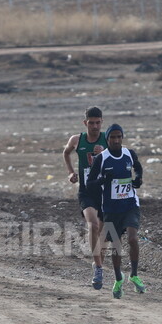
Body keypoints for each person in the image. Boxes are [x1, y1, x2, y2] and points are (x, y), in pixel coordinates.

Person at [85, 123, 145, 299]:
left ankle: (134, 274)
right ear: (108, 139)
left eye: (119, 137)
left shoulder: (129, 154)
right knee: (116, 246)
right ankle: (118, 278)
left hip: (130, 205)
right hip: (111, 209)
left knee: (133, 238)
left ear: (122, 138)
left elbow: (138, 167)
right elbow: (90, 184)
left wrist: (138, 179)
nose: (116, 140)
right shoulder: (101, 159)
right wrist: (103, 180)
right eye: (113, 137)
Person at [62, 106, 108, 289]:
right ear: (85, 123)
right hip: (86, 191)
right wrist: (71, 173)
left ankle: (98, 264)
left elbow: (119, 158)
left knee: (104, 233)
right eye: (92, 123)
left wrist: (103, 154)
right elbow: (65, 153)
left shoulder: (108, 139)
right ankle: (98, 267)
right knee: (93, 225)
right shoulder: (77, 139)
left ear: (102, 122)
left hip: (105, 192)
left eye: (98, 122)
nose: (95, 126)